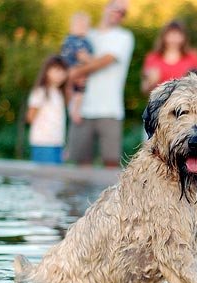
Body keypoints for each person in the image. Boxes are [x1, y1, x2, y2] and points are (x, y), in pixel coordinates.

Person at [67, 0, 134, 168]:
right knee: (80, 165)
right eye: (116, 8)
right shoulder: (87, 34)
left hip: (110, 110)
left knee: (111, 163)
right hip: (82, 109)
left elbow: (104, 61)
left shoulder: (124, 37)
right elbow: (68, 62)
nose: (118, 13)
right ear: (106, 6)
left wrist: (76, 72)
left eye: (123, 12)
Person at [141, 20, 197, 95]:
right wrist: (150, 81)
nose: (174, 38)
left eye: (178, 35)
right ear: (164, 36)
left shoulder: (192, 57)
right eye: (171, 34)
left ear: (184, 37)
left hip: (185, 103)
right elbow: (144, 89)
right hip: (161, 104)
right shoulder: (153, 57)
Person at [26, 55, 68, 164]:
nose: (61, 74)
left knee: (55, 177)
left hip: (57, 142)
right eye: (57, 70)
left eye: (64, 71)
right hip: (43, 142)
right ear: (47, 71)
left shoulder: (59, 93)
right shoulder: (40, 92)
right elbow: (30, 116)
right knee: (44, 178)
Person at [60, 12, 94, 125]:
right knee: (74, 91)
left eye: (84, 26)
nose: (82, 29)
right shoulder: (74, 41)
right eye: (79, 26)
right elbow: (83, 56)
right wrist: (93, 62)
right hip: (72, 70)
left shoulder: (83, 41)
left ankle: (75, 111)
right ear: (71, 27)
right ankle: (73, 111)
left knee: (78, 93)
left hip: (78, 72)